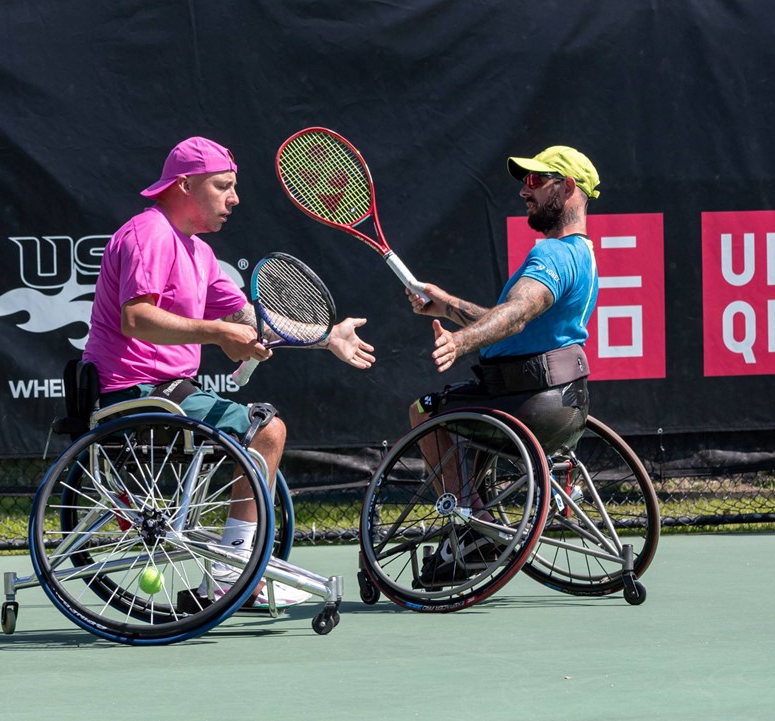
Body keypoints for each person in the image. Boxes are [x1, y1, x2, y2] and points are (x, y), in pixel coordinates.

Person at [82, 136, 376, 608]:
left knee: (264, 429)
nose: (234, 199)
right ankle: (229, 573)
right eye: (223, 186)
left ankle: (233, 568)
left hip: (170, 393)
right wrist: (216, 333)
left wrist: (326, 337)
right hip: (133, 394)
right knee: (268, 431)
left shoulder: (198, 253)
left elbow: (252, 322)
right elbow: (135, 318)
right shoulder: (150, 234)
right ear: (184, 186)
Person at [405, 145, 601, 582]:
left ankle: (472, 533)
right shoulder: (584, 256)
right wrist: (449, 305)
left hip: (525, 403)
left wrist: (460, 341)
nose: (523, 192)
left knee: (425, 410)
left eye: (534, 181)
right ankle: (476, 525)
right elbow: (517, 324)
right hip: (566, 404)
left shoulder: (551, 256)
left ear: (567, 188)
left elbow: (516, 315)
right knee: (466, 410)